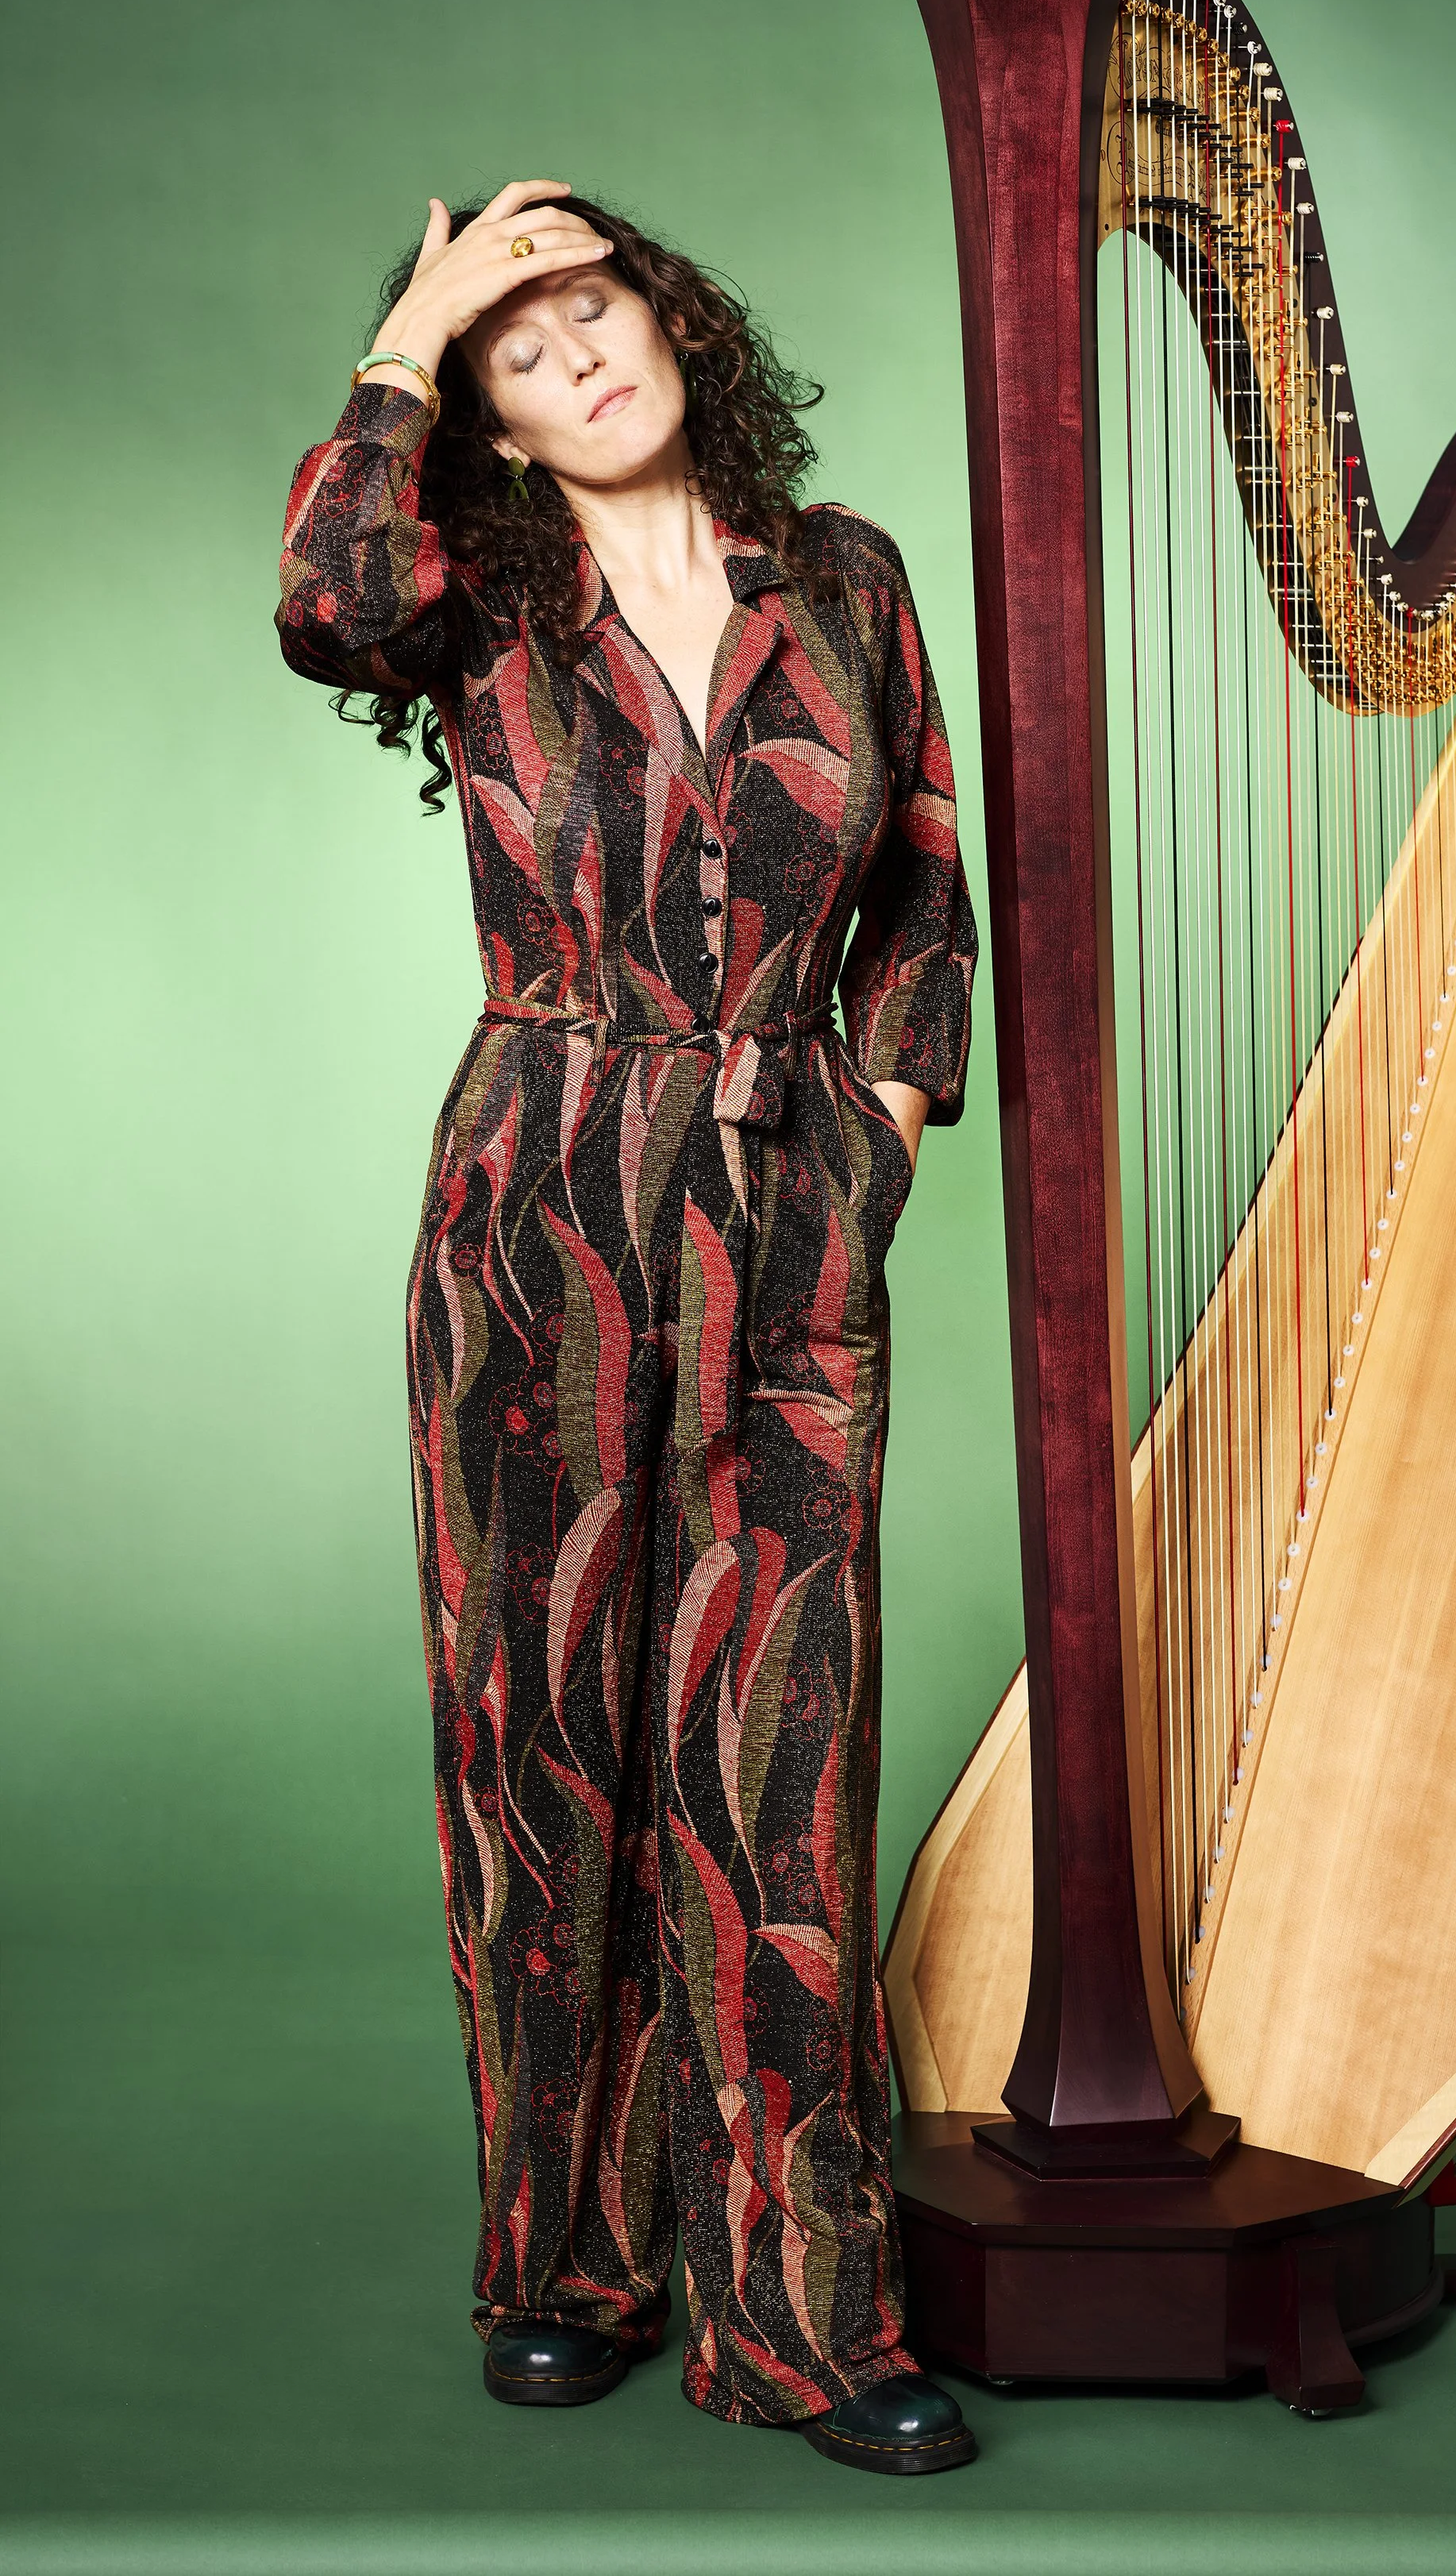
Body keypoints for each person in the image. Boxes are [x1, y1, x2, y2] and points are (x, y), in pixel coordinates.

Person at [275, 180, 979, 2475]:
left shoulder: (844, 579)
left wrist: (879, 1122)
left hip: (786, 1207)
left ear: (675, 323)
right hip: (542, 1204)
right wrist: (411, 332)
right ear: (488, 416)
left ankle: (797, 2312)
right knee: (545, 1735)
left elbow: (927, 886)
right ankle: (564, 2261)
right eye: (521, 342)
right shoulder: (470, 594)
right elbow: (321, 602)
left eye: (594, 303)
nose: (574, 350)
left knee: (774, 1741)